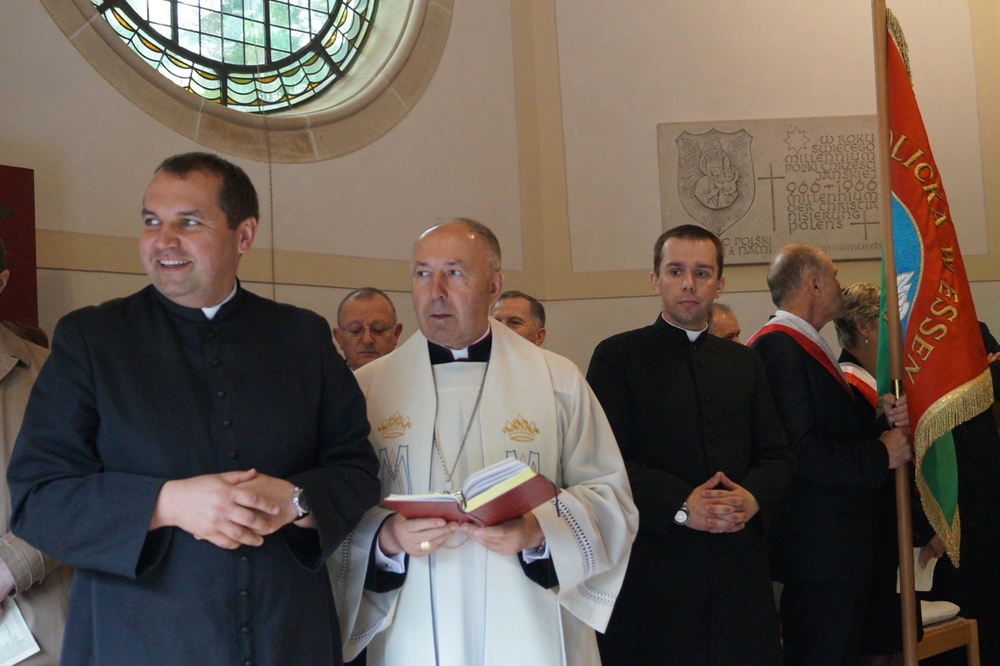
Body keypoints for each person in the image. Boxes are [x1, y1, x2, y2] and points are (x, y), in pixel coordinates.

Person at [7, 153, 381, 665]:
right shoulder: (92, 339)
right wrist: (167, 503)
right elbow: (40, 500)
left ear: (243, 235)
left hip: (286, 636)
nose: (163, 240)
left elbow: (356, 469)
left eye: (188, 223)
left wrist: (297, 500)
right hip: (138, 641)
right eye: (151, 222)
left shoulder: (302, 337)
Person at [330, 218, 637, 666]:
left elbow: (610, 498)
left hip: (530, 619)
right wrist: (387, 538)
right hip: (413, 626)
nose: (435, 291)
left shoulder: (556, 381)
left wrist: (538, 531)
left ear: (494, 286)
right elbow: (337, 507)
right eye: (422, 273)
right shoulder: (368, 389)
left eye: (454, 273)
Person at [588, 224, 793, 665]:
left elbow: (778, 455)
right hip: (654, 569)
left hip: (738, 570)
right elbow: (604, 461)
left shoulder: (746, 362)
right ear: (655, 279)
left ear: (719, 283)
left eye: (702, 273)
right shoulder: (617, 357)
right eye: (676, 271)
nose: (688, 284)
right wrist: (681, 505)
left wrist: (750, 498)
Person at [748, 244, 912, 665]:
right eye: (835, 276)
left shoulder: (804, 344)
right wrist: (879, 454)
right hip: (817, 555)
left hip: (837, 553)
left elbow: (834, 433)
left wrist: (881, 423)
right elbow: (800, 452)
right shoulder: (778, 348)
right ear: (815, 284)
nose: (840, 284)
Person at [0, 238, 72, 665]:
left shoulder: (55, 374)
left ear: (2, 280)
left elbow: (86, 490)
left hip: (36, 634)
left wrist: (8, 567)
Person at [333, 287, 403, 370]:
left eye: (378, 330)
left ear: (396, 334)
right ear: (339, 338)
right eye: (355, 330)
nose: (367, 340)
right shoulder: (325, 378)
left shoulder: (414, 376)